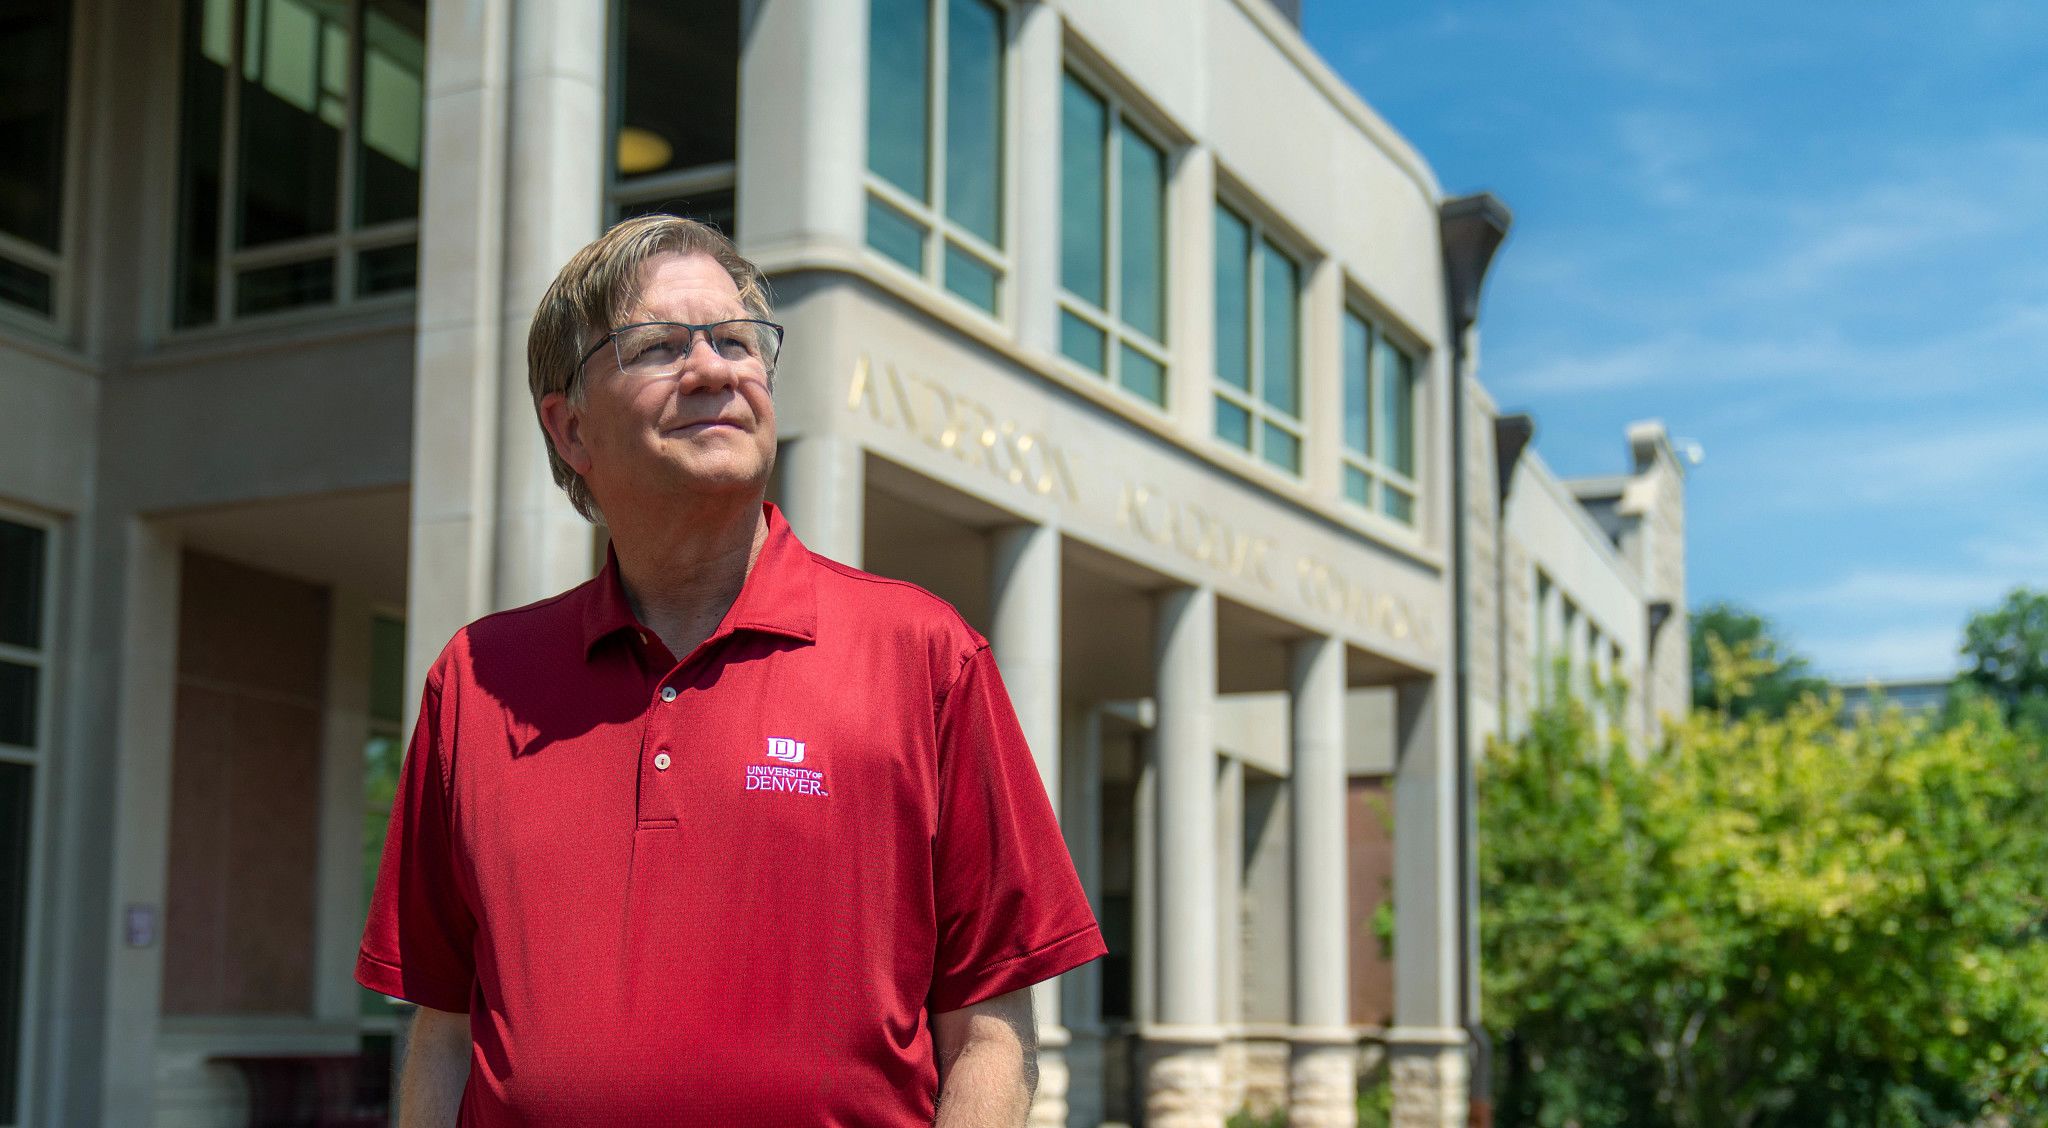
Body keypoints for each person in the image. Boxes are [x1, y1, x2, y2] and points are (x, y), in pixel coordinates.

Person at [357, 214, 1105, 1127]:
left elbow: (991, 1032)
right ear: (570, 426)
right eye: (660, 346)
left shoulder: (925, 656)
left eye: (737, 341)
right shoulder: (476, 681)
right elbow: (444, 1028)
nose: (714, 369)